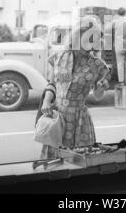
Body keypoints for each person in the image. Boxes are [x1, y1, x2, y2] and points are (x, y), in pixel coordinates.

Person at [36, 17, 110, 160]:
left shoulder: (98, 66)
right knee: (53, 162)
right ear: (77, 35)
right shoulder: (59, 56)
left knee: (77, 162)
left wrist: (101, 88)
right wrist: (46, 102)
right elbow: (52, 84)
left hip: (79, 122)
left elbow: (98, 96)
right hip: (57, 118)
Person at [108, 8, 126, 86]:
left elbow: (107, 28)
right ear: (125, 13)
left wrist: (114, 17)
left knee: (120, 64)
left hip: (120, 47)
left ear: (118, 14)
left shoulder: (116, 21)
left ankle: (121, 82)